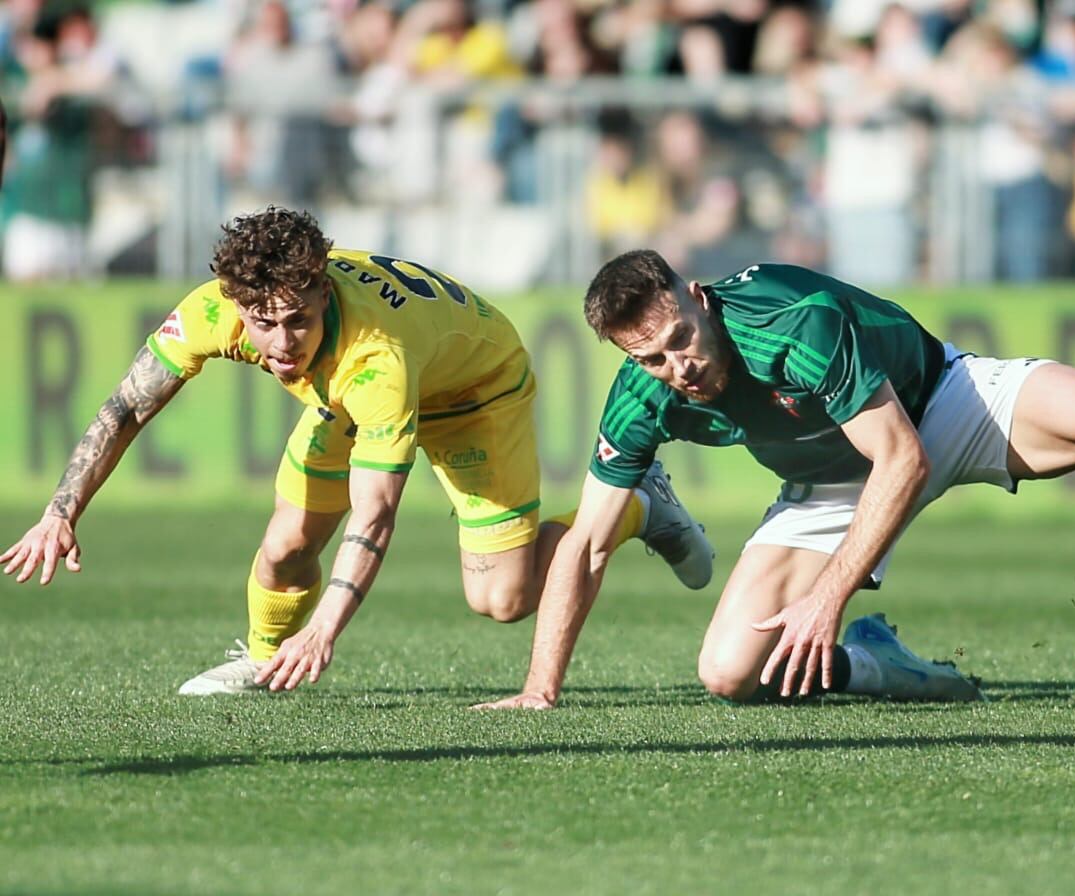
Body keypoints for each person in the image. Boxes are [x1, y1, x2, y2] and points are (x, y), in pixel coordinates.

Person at [477, 250, 1075, 710]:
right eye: (650, 359)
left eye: (680, 339)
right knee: (727, 674)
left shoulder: (790, 320)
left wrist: (829, 593)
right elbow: (591, 541)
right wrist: (539, 691)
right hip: (825, 491)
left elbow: (904, 458)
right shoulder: (641, 396)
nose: (675, 367)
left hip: (941, 406)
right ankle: (876, 663)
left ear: (694, 294)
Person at [2, 209, 713, 695]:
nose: (281, 345)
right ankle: (260, 662)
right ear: (234, 303)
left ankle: (642, 507)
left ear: (323, 290)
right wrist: (60, 511)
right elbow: (127, 405)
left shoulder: (376, 360)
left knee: (502, 600)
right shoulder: (211, 311)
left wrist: (325, 631)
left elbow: (374, 518)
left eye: (299, 321)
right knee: (284, 546)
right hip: (339, 396)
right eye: (263, 323)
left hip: (476, 387)